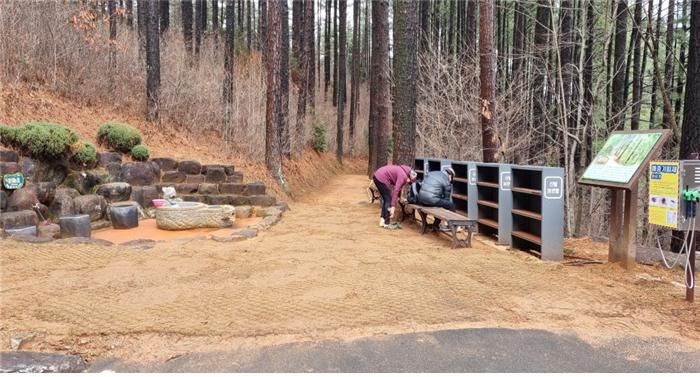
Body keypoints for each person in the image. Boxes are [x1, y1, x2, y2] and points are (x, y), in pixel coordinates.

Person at [372, 164, 418, 229]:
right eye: (410, 182)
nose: (408, 183)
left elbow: (399, 188)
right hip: (381, 178)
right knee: (389, 200)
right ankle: (387, 223)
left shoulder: (403, 172)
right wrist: (393, 207)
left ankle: (382, 221)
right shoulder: (403, 176)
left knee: (386, 199)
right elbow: (396, 190)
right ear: (409, 177)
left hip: (377, 176)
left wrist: (399, 198)